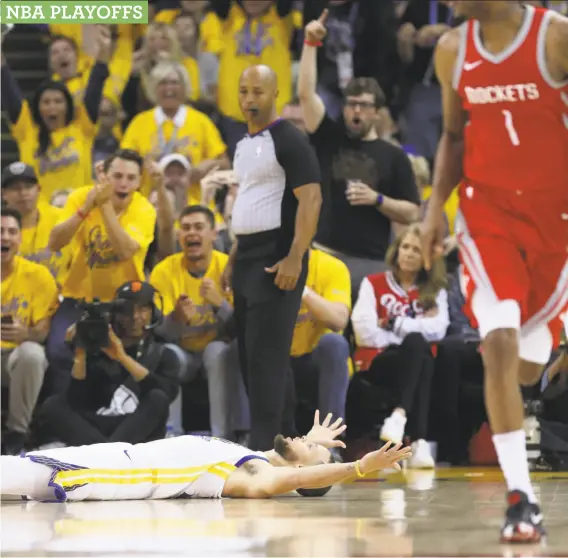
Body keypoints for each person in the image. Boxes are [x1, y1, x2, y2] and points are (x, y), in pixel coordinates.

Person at [421, 0, 568, 542]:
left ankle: (538, 350)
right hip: (488, 217)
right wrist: (435, 207)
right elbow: (454, 136)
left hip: (556, 224)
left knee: (529, 367)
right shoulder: (451, 49)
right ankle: (520, 498)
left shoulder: (555, 38)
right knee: (498, 344)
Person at [224, 65, 322, 451]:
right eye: (244, 91)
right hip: (247, 255)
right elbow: (251, 199)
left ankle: (263, 452)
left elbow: (311, 198)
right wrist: (233, 256)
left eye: (258, 92)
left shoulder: (289, 139)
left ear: (275, 94)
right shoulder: (243, 143)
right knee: (254, 359)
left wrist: (296, 257)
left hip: (277, 256)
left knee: (266, 362)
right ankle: (289, 444)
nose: (250, 99)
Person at [0, 412, 411, 501]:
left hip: (99, 475)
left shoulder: (257, 473)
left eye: (310, 446)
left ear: (307, 467)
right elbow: (305, 465)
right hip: (108, 455)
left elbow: (296, 480)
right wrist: (316, 440)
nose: (304, 436)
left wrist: (357, 467)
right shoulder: (244, 451)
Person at [298, 11, 420, 300]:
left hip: (371, 263)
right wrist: (309, 44)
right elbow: (305, 94)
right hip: (324, 254)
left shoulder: (394, 156)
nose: (356, 111)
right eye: (351, 104)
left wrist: (377, 199)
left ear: (377, 113)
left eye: (364, 106)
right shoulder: (329, 137)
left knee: (364, 335)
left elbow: (413, 212)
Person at [31, 281, 181, 448]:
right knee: (53, 405)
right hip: (97, 426)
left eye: (142, 309)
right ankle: (110, 453)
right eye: (127, 310)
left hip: (136, 427)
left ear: (154, 313)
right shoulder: (98, 348)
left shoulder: (163, 354)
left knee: (157, 399)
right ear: (115, 315)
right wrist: (80, 354)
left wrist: (122, 357)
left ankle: (104, 453)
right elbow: (78, 401)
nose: (135, 317)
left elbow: (166, 395)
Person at [351, 224, 449, 468]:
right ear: (396, 251)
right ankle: (419, 441)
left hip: (415, 362)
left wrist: (394, 324)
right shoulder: (372, 283)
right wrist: (406, 336)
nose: (409, 253)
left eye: (416, 249)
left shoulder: (435, 290)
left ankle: (399, 418)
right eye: (405, 247)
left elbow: (440, 327)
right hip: (380, 360)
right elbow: (364, 332)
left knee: (419, 354)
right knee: (417, 347)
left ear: (427, 257)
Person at [1, 208, 60, 455]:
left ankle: (17, 434)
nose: (5, 237)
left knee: (32, 354)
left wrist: (26, 334)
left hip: (15, 360)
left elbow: (43, 332)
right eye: (0, 231)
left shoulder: (37, 275)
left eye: (12, 231)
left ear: (19, 239)